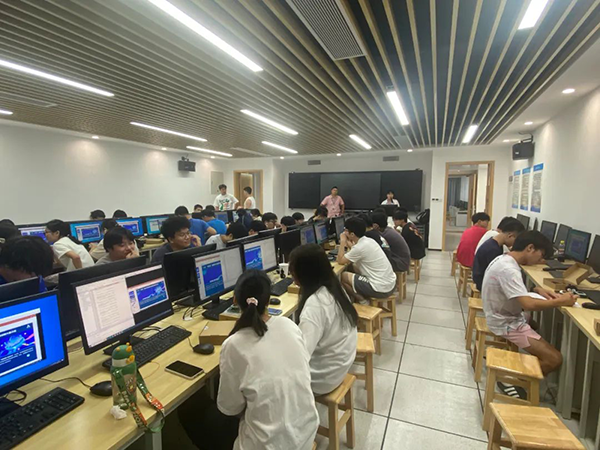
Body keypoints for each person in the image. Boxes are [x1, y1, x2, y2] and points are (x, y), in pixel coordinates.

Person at [178, 270, 318, 450]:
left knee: (189, 407)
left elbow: (230, 408)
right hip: (305, 435)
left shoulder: (233, 344)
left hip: (267, 446)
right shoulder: (289, 325)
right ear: (268, 300)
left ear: (235, 301)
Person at [482, 231, 576, 375]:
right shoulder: (508, 269)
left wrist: (536, 290)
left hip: (501, 314)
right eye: (541, 255)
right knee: (554, 359)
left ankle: (524, 360)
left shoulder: (504, 259)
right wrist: (560, 301)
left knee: (534, 324)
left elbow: (513, 292)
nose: (540, 260)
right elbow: (528, 305)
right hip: (504, 322)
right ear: (530, 248)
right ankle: (514, 379)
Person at [289, 244, 358, 395]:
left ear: (305, 273)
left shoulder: (315, 305)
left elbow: (301, 356)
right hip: (341, 365)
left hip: (323, 379)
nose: (292, 278)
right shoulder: (334, 288)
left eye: (293, 272)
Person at [337, 217, 396, 303]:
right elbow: (356, 250)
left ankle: (363, 301)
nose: (343, 233)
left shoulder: (359, 247)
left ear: (352, 234)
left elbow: (340, 260)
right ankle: (361, 297)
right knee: (352, 267)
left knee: (343, 276)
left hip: (380, 289)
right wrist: (348, 242)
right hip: (390, 284)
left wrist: (342, 242)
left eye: (345, 230)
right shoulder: (369, 241)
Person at [473, 218, 525, 291]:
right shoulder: (493, 249)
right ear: (510, 236)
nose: (515, 244)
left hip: (481, 278)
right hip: (483, 283)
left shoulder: (494, 242)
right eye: (516, 240)